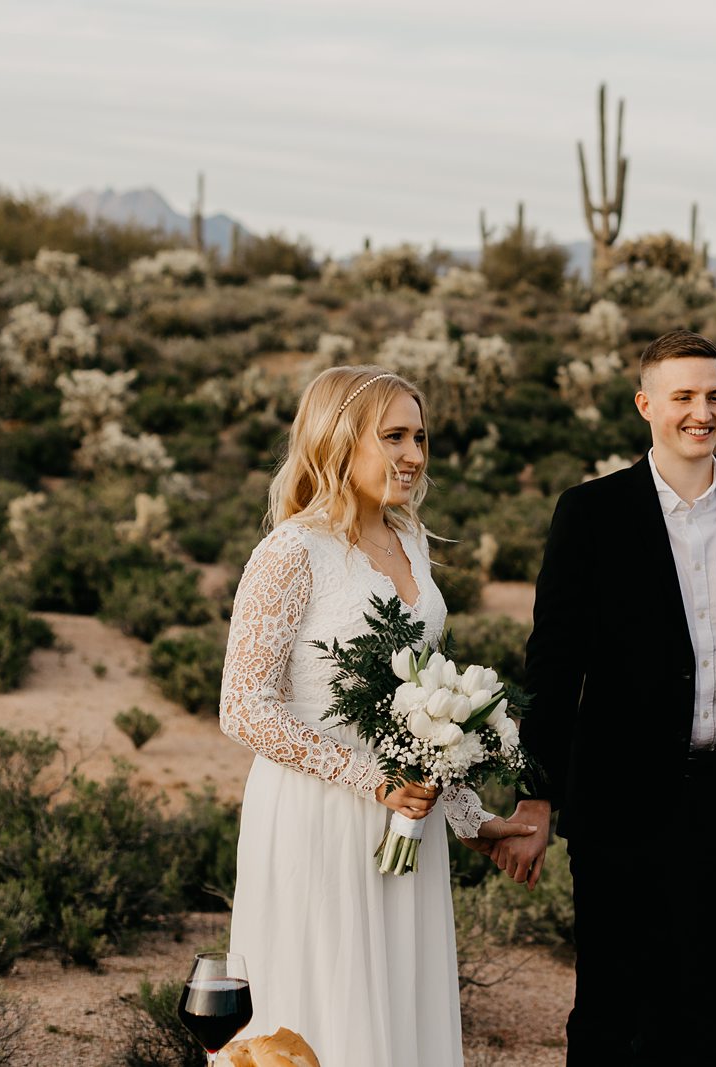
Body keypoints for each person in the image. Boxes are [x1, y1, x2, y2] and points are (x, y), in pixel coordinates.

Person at [497, 330, 716, 1064]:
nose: (702, 413)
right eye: (684, 397)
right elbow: (552, 662)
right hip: (617, 810)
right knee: (613, 1015)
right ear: (646, 405)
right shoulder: (590, 513)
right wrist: (537, 799)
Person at [219, 366, 534, 1066]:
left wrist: (466, 817)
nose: (414, 455)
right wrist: (372, 780)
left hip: (405, 829)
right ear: (337, 439)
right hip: (315, 819)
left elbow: (422, 713)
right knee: (321, 1012)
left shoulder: (412, 543)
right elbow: (243, 706)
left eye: (419, 436)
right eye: (393, 436)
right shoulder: (291, 550)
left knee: (398, 1013)